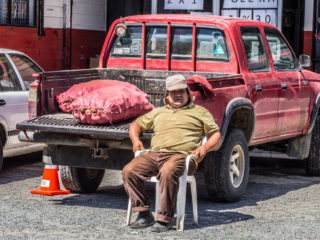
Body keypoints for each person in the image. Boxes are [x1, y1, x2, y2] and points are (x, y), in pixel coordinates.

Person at [122, 74, 221, 232]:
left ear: (187, 93)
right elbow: (135, 125)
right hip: (155, 154)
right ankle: (143, 213)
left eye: (181, 91)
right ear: (167, 95)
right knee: (129, 171)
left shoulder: (200, 112)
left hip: (182, 156)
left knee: (168, 171)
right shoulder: (159, 112)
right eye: (174, 92)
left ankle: (163, 219)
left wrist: (204, 148)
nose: (178, 95)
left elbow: (215, 134)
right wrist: (136, 141)